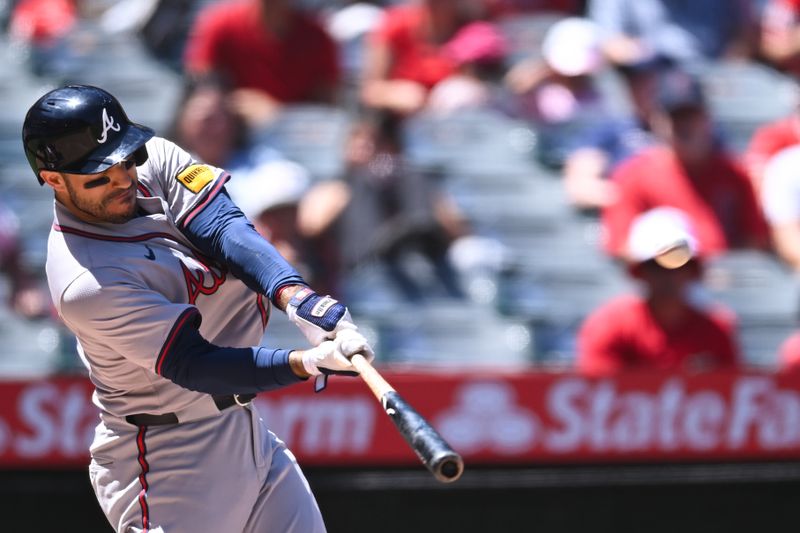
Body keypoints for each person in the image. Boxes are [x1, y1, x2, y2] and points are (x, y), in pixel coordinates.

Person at [22, 84, 375, 532]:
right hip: (167, 461)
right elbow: (194, 363)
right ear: (53, 179)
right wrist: (305, 363)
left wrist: (296, 297)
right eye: (99, 174)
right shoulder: (84, 281)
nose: (123, 177)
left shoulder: (154, 157)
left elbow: (224, 227)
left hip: (244, 431)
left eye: (125, 159)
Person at [601, 69, 769, 258]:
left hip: (727, 279)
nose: (684, 126)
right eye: (675, 117)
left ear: (707, 119)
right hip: (667, 279)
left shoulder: (734, 173)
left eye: (690, 116)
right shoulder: (634, 175)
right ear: (656, 121)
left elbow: (755, 239)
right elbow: (620, 244)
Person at [577, 207, 741, 375]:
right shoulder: (609, 326)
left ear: (692, 270)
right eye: (656, 265)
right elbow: (596, 390)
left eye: (677, 263)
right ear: (639, 271)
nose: (668, 276)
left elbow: (729, 390)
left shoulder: (716, 330)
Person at [184, 0, 340, 125]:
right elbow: (200, 90)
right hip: (231, 137)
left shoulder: (318, 38)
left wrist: (278, 115)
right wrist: (238, 102)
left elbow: (326, 110)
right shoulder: (220, 24)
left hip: (293, 143)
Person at [360, 0, 478, 115]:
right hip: (397, 122)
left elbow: (477, 88)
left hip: (454, 122)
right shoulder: (395, 24)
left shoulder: (472, 31)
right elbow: (371, 90)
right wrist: (394, 94)